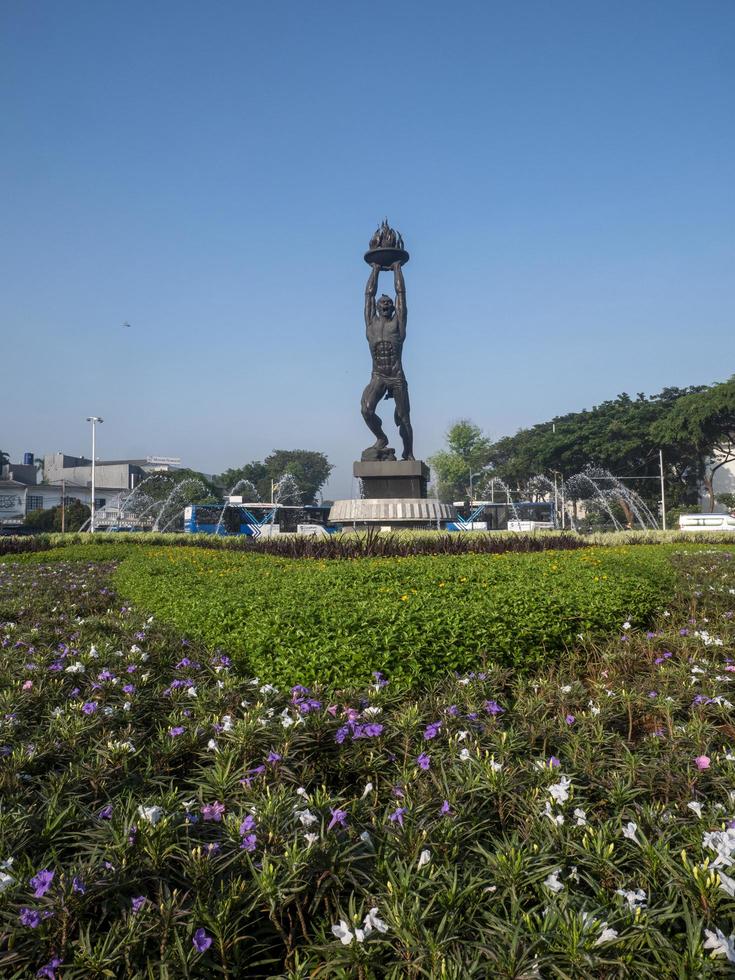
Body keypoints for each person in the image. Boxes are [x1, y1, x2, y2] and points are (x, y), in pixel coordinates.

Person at [361, 261, 414, 460]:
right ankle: (381, 438)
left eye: (388, 303)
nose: (385, 305)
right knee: (366, 409)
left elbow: (402, 294)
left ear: (393, 307)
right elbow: (368, 294)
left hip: (396, 376)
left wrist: (397, 269)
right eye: (382, 303)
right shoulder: (370, 323)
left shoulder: (398, 323)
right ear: (376, 306)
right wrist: (375, 269)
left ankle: (408, 453)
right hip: (378, 376)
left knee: (403, 418)